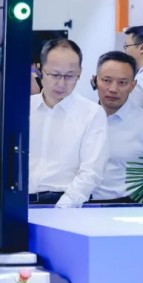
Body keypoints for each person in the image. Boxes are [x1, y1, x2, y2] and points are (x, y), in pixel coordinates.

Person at [29, 39, 108, 207]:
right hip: (22, 201)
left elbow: (92, 171)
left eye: (70, 76)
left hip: (66, 203)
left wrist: (64, 206)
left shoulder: (92, 113)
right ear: (39, 69)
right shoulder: (23, 108)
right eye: (55, 75)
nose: (61, 83)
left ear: (80, 73)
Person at [90, 51, 143, 204]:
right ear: (95, 80)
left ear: (133, 86)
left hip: (126, 207)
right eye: (106, 80)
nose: (113, 89)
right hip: (79, 206)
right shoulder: (83, 119)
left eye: (122, 83)